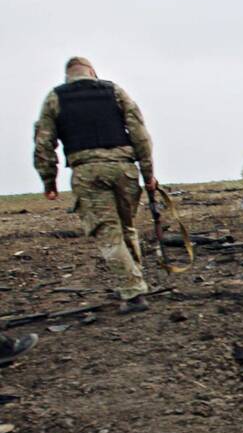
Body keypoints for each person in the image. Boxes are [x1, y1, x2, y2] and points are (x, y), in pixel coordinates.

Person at [33, 57, 155, 313]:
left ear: (68, 76)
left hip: (87, 170)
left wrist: (49, 180)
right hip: (124, 168)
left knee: (108, 233)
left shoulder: (55, 98)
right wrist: (148, 173)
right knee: (126, 228)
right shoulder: (114, 91)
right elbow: (139, 132)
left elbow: (44, 143)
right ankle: (134, 282)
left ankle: (133, 291)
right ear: (92, 72)